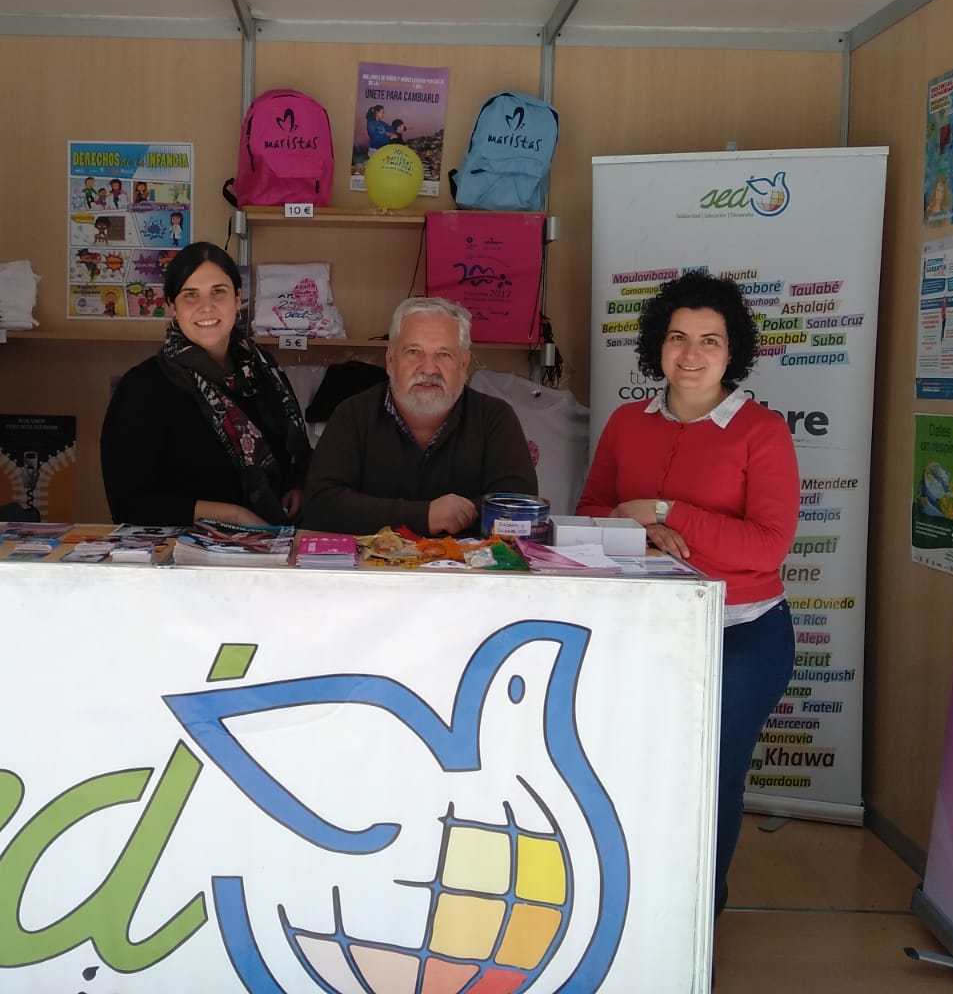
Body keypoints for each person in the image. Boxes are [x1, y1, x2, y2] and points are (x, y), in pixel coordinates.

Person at [574, 271, 800, 919]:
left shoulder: (761, 432)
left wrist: (670, 511)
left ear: (733, 352)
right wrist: (642, 534)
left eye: (709, 340)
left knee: (711, 776)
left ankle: (700, 916)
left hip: (744, 634)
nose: (691, 354)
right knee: (636, 771)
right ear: (657, 345)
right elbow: (595, 512)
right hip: (646, 629)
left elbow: (766, 548)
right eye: (678, 338)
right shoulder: (626, 422)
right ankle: (637, 908)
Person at [100, 241, 311, 527]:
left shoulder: (264, 371)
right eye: (191, 295)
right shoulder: (143, 389)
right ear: (172, 306)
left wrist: (296, 486)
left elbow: (293, 455)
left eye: (218, 292)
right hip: (183, 559)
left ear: (238, 299)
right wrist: (234, 515)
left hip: (272, 547)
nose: (206, 307)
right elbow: (129, 505)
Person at [301, 296, 537, 536]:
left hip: (468, 572)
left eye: (443, 354)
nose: (428, 369)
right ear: (391, 361)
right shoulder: (351, 416)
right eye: (413, 352)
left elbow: (518, 507)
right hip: (374, 573)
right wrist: (425, 516)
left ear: (464, 365)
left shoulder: (495, 418)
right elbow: (319, 507)